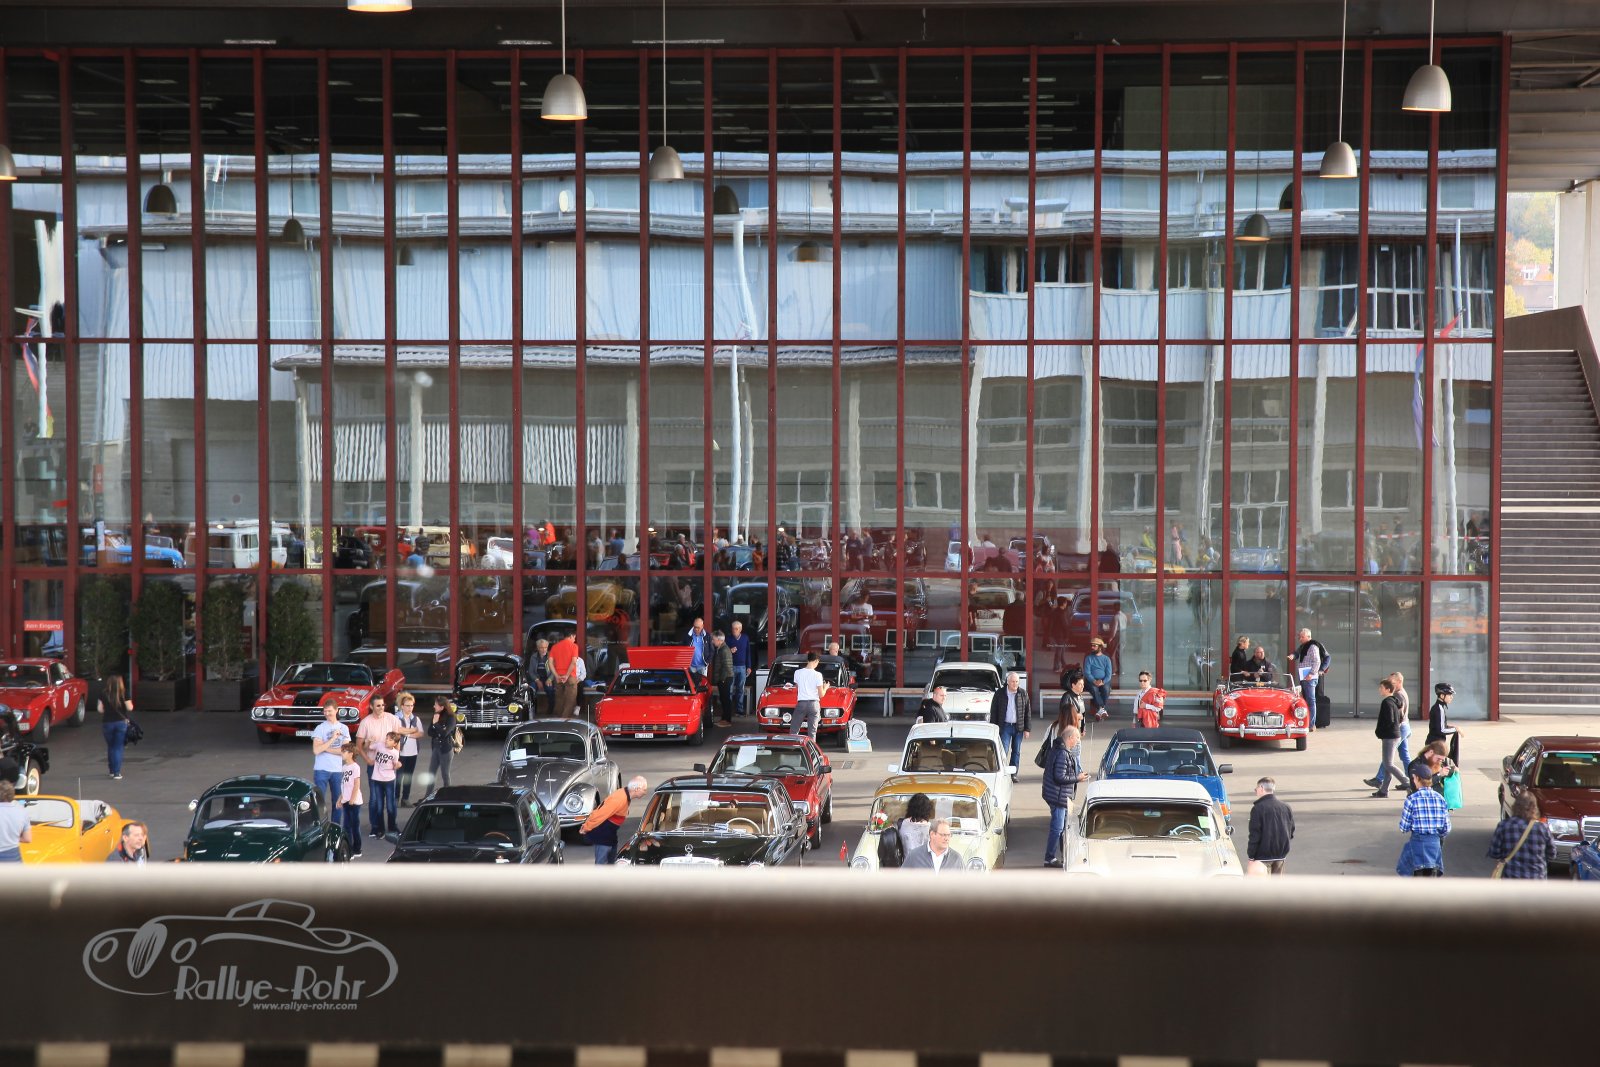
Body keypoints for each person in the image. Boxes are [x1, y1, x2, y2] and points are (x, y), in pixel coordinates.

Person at [1042, 724, 1088, 868]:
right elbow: (1059, 777)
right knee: (1057, 828)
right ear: (1070, 737)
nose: (1078, 741)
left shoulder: (1059, 749)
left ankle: (1064, 855)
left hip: (1057, 795)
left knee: (1062, 828)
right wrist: (1077, 778)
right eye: (1077, 738)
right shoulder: (1062, 753)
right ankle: (1049, 858)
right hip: (1058, 796)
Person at [1396, 763, 1451, 876]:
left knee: (1404, 868)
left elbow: (1403, 827)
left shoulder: (1412, 799)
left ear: (1417, 779)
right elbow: (1446, 828)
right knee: (1433, 873)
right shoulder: (1440, 798)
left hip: (1417, 842)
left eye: (1414, 778)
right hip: (1434, 844)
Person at [580, 776, 649, 864]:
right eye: (644, 790)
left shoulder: (624, 795)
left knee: (611, 862)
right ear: (637, 789)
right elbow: (600, 814)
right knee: (601, 863)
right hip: (603, 835)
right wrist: (586, 827)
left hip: (610, 834)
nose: (645, 793)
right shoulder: (620, 798)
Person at [1488, 792, 1557, 880]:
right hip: (1537, 880)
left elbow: (1494, 852)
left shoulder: (1504, 825)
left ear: (1515, 806)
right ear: (1534, 808)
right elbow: (1552, 854)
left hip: (1511, 878)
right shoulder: (1542, 828)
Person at [1365, 678, 1409, 798]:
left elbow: (1389, 720)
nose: (1380, 690)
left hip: (1390, 736)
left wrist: (1381, 731)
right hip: (1394, 734)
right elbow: (1400, 717)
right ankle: (1383, 791)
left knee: (1388, 764)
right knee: (1387, 763)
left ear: (1388, 689)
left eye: (1381, 688)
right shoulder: (1395, 701)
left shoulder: (1387, 702)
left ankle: (1407, 782)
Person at [310, 696, 351, 813]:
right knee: (319, 801)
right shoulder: (320, 728)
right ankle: (320, 823)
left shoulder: (344, 728)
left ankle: (335, 823)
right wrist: (332, 739)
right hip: (321, 770)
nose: (327, 714)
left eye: (329, 711)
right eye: (325, 711)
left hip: (337, 770)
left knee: (338, 801)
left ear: (336, 710)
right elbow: (316, 750)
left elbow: (345, 751)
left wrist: (324, 747)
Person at [988, 671, 1031, 782]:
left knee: (1016, 751)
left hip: (1018, 727)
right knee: (1004, 750)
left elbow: (1027, 712)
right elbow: (994, 711)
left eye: (1017, 681)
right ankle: (1002, 772)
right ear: (1007, 682)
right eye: (1012, 681)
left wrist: (1027, 729)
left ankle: (1013, 774)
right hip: (1005, 727)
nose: (1015, 684)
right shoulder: (1000, 693)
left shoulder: (1023, 694)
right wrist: (994, 727)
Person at [1246, 777, 1294, 874]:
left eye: (1256, 789)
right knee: (1276, 883)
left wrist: (1251, 856)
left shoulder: (1257, 809)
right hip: (1280, 855)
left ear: (1261, 788)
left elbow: (1255, 835)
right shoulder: (1285, 807)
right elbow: (1291, 830)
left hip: (1262, 857)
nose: (1256, 791)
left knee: (1262, 883)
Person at [97, 674, 133, 781]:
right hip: (121, 723)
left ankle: (112, 771)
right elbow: (130, 708)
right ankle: (117, 773)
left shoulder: (103, 693)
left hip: (107, 723)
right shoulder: (124, 693)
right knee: (118, 747)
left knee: (111, 746)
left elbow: (100, 709)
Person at [393, 692, 425, 807]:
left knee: (409, 776)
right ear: (402, 706)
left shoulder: (415, 718)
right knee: (399, 777)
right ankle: (396, 798)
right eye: (407, 705)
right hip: (400, 752)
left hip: (413, 752)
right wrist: (412, 730)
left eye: (412, 705)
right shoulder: (396, 717)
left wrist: (407, 734)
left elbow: (420, 733)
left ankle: (405, 798)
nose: (410, 708)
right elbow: (397, 730)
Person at [334, 743, 365, 859]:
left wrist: (352, 799)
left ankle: (357, 849)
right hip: (346, 800)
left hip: (354, 802)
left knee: (354, 826)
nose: (342, 753)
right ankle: (350, 849)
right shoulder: (344, 767)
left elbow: (356, 784)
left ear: (351, 754)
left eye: (344, 751)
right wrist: (340, 799)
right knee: (347, 826)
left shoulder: (355, 767)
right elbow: (344, 785)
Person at [1290, 628, 1325, 730]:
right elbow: (1297, 653)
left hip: (1310, 678)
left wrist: (1311, 673)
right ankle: (1306, 722)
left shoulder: (1313, 646)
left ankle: (1311, 724)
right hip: (1304, 677)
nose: (1300, 639)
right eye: (1299, 637)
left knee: (1310, 700)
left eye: (1302, 637)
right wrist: (1293, 656)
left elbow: (1317, 661)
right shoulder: (1303, 646)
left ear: (1308, 637)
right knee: (1305, 700)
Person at [791, 652, 828, 737]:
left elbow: (797, 687)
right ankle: (811, 745)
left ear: (808, 660)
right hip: (814, 704)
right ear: (816, 661)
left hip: (801, 703)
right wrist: (826, 687)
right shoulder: (818, 675)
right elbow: (821, 694)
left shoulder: (797, 672)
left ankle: (793, 744)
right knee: (812, 732)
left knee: (794, 730)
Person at [548, 631, 582, 719]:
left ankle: (559, 719)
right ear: (571, 636)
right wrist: (567, 675)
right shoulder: (574, 646)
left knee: (559, 699)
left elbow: (550, 663)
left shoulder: (555, 647)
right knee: (570, 700)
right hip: (570, 676)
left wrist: (556, 675)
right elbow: (573, 662)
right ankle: (565, 720)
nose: (574, 639)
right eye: (574, 637)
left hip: (558, 677)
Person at [426, 696, 457, 792]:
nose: (434, 706)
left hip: (446, 749)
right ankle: (427, 796)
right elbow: (430, 732)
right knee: (431, 773)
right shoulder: (435, 716)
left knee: (445, 773)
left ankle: (448, 794)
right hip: (436, 748)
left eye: (436, 705)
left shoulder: (451, 718)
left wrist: (436, 724)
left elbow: (445, 733)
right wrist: (438, 730)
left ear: (442, 707)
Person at [1427, 682, 1460, 765]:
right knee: (1438, 769)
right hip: (1436, 745)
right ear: (1442, 696)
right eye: (1449, 695)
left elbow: (1439, 725)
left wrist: (1451, 727)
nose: (1451, 697)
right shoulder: (1439, 709)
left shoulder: (1438, 707)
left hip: (1433, 743)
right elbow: (1441, 730)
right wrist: (1455, 730)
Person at [709, 630, 735, 727]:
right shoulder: (721, 649)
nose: (712, 641)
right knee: (723, 699)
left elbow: (727, 666)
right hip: (723, 678)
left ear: (719, 640)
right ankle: (724, 718)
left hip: (725, 678)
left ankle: (727, 720)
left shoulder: (724, 650)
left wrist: (723, 679)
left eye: (714, 640)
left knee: (725, 699)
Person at [1390, 672, 1413, 778]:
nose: (1389, 684)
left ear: (1399, 682)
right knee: (1404, 754)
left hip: (1401, 727)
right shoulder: (1402, 692)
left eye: (1392, 682)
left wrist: (1394, 727)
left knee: (1389, 753)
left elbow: (1400, 714)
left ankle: (1379, 778)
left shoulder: (1398, 694)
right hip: (1405, 726)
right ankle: (1410, 778)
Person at [1083, 638, 1113, 719]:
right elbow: (1087, 673)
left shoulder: (1106, 659)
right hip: (1091, 681)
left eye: (1094, 646)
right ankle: (1102, 708)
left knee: (1106, 689)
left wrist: (1103, 682)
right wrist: (1094, 681)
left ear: (1100, 647)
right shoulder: (1089, 658)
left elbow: (1109, 674)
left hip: (1104, 681)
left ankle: (1100, 710)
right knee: (1094, 689)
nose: (1092, 647)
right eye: (1091, 645)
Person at [728, 619, 751, 718]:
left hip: (742, 667)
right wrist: (729, 651)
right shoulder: (728, 639)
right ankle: (728, 710)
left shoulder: (745, 638)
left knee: (740, 689)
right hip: (731, 667)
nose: (734, 630)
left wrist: (749, 666)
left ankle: (739, 710)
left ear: (740, 629)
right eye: (733, 629)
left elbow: (748, 652)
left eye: (736, 629)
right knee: (729, 689)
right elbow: (722, 652)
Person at [527, 638, 553, 717]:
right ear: (538, 648)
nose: (544, 649)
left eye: (545, 647)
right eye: (541, 648)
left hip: (547, 677)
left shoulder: (551, 656)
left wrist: (550, 679)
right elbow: (531, 671)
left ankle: (550, 710)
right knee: (532, 690)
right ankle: (533, 710)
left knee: (550, 690)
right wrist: (537, 680)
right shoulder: (533, 657)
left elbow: (554, 671)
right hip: (537, 678)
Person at [1058, 667, 1088, 733]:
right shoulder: (1067, 697)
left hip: (1078, 728)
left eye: (1083, 684)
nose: (1083, 686)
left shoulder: (1080, 697)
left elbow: (1083, 714)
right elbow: (1064, 714)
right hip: (1068, 729)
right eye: (1080, 684)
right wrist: (1076, 716)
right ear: (1073, 685)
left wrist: (1083, 728)